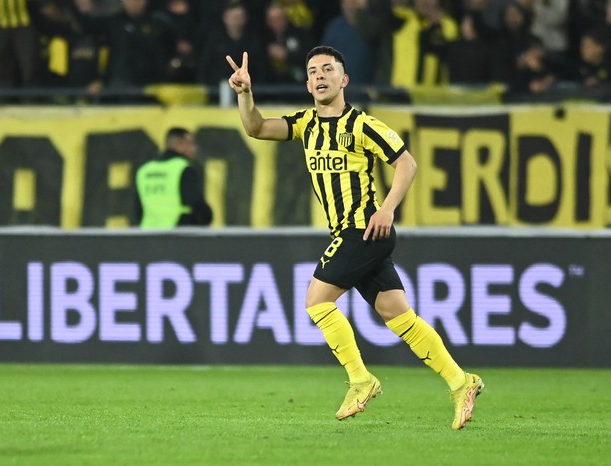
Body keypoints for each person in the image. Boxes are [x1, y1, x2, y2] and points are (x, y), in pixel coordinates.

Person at [225, 46, 484, 430]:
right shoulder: (305, 124)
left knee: (316, 301)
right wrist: (245, 93)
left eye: (328, 69)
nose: (319, 76)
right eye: (312, 71)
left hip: (363, 229)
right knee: (396, 313)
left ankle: (362, 380)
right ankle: (462, 382)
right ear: (308, 82)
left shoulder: (363, 125)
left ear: (343, 79)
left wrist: (388, 208)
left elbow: (407, 164)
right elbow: (257, 128)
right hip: (355, 234)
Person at [135, 127, 213, 228]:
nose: (194, 148)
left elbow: (138, 209)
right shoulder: (184, 168)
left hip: (149, 234)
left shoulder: (144, 171)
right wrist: (207, 218)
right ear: (180, 144)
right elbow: (195, 202)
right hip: (177, 234)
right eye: (191, 144)